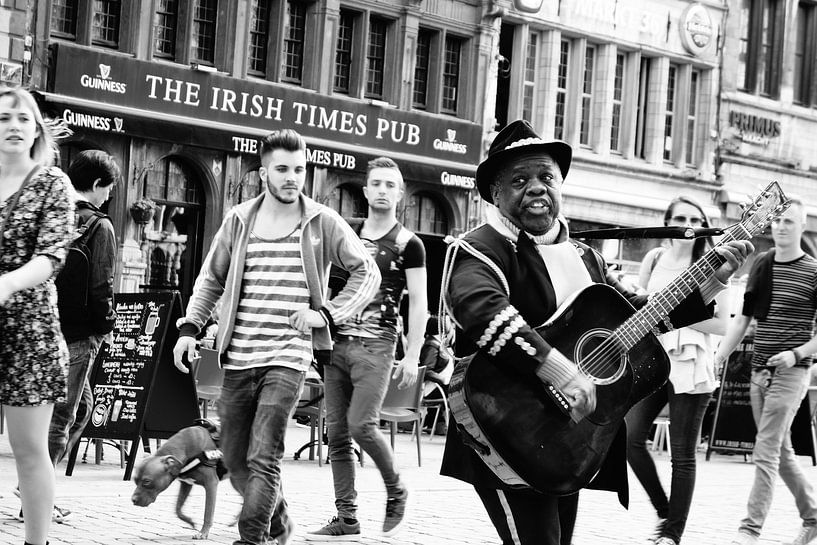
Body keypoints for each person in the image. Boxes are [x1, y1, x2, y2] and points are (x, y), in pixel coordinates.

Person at [439, 120, 753, 545]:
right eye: (519, 180)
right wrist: (560, 371)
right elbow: (482, 312)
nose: (536, 187)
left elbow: (645, 317)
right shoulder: (478, 248)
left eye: (547, 177)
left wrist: (713, 281)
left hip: (569, 436)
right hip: (503, 426)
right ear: (495, 194)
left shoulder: (588, 258)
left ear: (561, 186)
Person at [172, 129, 380, 545]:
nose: (291, 178)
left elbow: (366, 272)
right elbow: (211, 279)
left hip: (288, 357)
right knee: (234, 457)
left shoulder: (322, 221)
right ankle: (276, 521)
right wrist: (190, 328)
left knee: (264, 454)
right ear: (263, 170)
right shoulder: (239, 219)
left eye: (299, 169)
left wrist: (326, 314)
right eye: (282, 169)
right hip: (238, 356)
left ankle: (252, 539)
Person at [306, 157, 427, 541]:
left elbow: (419, 303)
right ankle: (346, 518)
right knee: (337, 434)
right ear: (365, 191)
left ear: (400, 193)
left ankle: (396, 488)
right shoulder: (346, 233)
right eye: (376, 183)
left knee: (362, 426)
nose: (382, 190)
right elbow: (323, 284)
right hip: (336, 341)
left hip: (378, 345)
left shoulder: (410, 244)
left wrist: (412, 355)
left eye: (390, 185)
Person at [625, 197, 729, 545]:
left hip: (692, 362)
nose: (688, 223)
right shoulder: (654, 259)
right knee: (630, 438)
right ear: (667, 222)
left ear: (703, 224)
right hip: (653, 360)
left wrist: (673, 314)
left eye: (695, 218)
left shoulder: (712, 264)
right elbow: (640, 309)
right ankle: (665, 510)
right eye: (680, 217)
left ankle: (672, 534)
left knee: (682, 455)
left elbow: (721, 326)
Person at [714, 196, 817, 545]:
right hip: (759, 373)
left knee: (766, 451)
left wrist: (796, 354)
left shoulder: (814, 272)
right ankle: (814, 516)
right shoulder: (762, 263)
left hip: (792, 372)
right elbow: (742, 319)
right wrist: (719, 355)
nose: (780, 226)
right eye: (776, 221)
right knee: (780, 451)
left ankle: (749, 530)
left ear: (803, 226)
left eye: (789, 221)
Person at [0, 87, 75, 545]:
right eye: (3, 118)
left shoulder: (52, 184)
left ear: (36, 130)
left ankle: (36, 542)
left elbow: (53, 254)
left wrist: (8, 282)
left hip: (29, 331)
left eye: (23, 119)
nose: (12, 125)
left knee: (28, 451)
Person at [44, 150, 120, 518]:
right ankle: (36, 493)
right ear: (96, 185)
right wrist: (106, 327)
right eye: (108, 188)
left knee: (83, 407)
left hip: (48, 326)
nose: (109, 196)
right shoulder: (99, 225)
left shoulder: (56, 214)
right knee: (62, 416)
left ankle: (35, 480)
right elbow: (102, 284)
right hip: (79, 335)